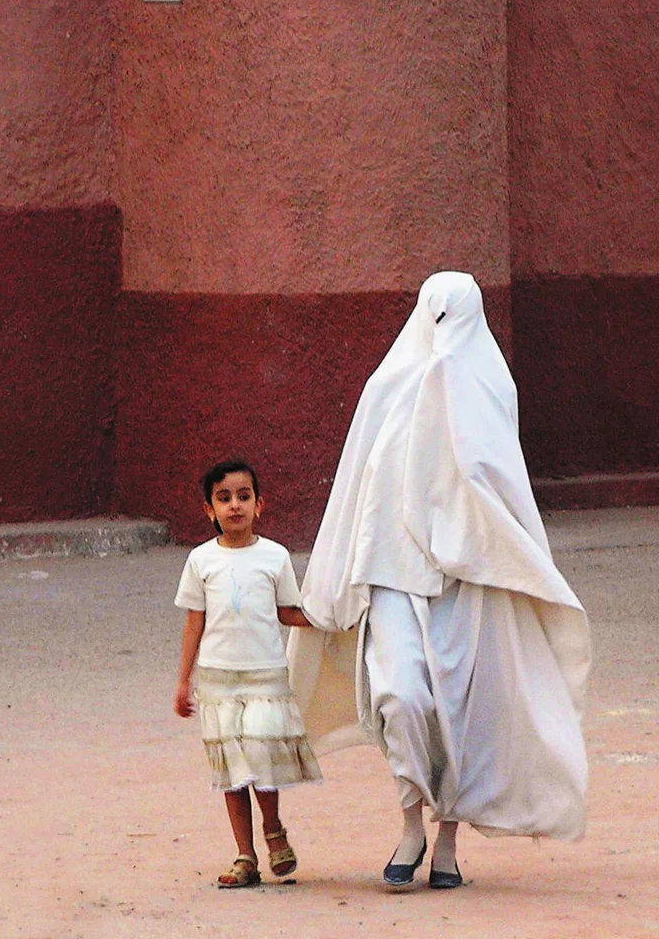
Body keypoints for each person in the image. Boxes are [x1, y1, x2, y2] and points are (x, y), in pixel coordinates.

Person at [288, 271, 592, 889]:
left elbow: (501, 481)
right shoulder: (389, 386)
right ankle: (410, 821)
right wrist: (333, 576)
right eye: (437, 318)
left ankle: (448, 840)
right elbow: (355, 482)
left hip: (472, 576)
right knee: (401, 696)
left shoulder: (489, 387)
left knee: (462, 711)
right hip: (394, 572)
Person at [174, 459, 321, 889]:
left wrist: (332, 618)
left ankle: (273, 830)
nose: (235, 505)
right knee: (232, 771)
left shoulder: (275, 557)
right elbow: (193, 623)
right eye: (224, 498)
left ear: (260, 504)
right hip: (218, 681)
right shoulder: (200, 561)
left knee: (260, 757)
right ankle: (245, 855)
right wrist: (183, 681)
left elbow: (288, 612)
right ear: (209, 510)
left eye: (243, 496)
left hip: (265, 680)